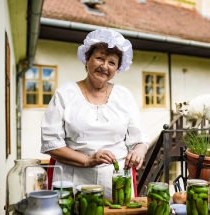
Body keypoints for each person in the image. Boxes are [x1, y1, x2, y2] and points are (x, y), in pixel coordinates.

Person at [40, 29, 149, 197]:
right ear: (87, 59)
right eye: (99, 58)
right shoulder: (65, 94)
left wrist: (138, 152)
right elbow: (51, 143)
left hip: (116, 183)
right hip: (71, 181)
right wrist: (88, 160)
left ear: (117, 68)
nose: (104, 66)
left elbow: (139, 139)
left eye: (112, 63)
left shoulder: (124, 95)